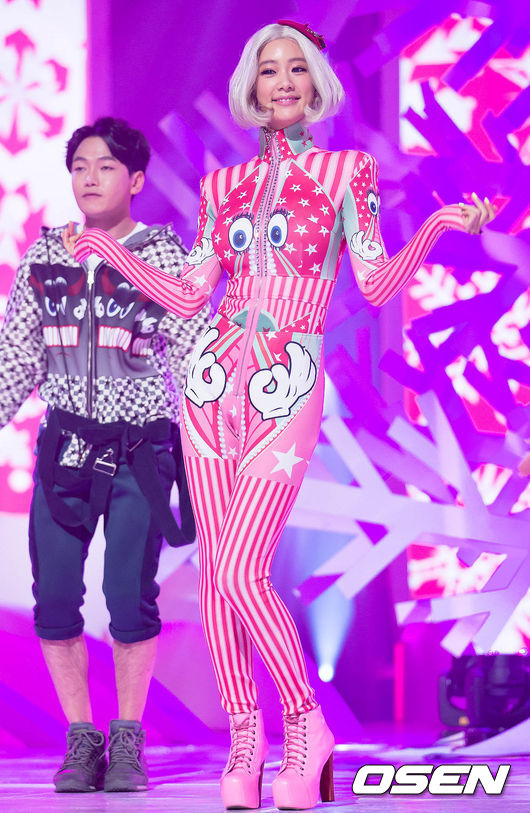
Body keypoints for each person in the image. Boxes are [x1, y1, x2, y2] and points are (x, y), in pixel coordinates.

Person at [65, 23, 495, 810]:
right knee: (216, 576)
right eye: (270, 70)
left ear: (315, 85)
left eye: (298, 68)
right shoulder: (223, 185)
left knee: (240, 567)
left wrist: (436, 226)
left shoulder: (346, 171)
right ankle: (245, 738)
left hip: (287, 381)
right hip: (209, 381)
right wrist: (110, 249)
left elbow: (374, 283)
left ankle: (304, 722)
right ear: (253, 88)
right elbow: (190, 294)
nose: (285, 80)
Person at [0, 117, 210, 793]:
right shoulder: (45, 257)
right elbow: (16, 358)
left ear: (137, 180)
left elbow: (197, 353)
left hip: (140, 450)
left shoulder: (165, 257)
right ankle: (80, 738)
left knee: (128, 596)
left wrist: (224, 437)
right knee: (55, 602)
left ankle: (127, 740)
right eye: (80, 166)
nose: (90, 178)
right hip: (64, 448)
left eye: (106, 167)